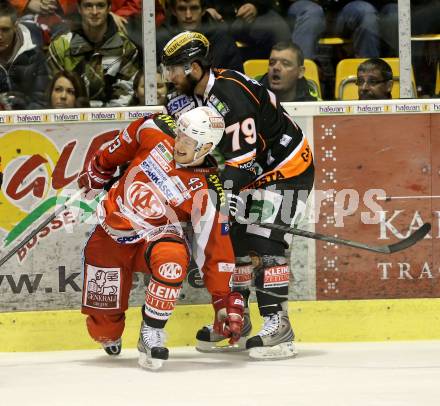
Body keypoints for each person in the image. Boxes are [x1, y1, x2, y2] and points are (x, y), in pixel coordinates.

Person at [161, 31, 315, 360]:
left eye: (175, 69)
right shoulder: (189, 99)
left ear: (195, 68)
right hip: (254, 170)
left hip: (287, 168)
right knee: (236, 240)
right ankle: (238, 318)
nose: (170, 76)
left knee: (265, 238)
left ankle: (278, 323)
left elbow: (242, 162)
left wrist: (224, 197)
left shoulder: (231, 95)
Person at [77, 107, 245, 370]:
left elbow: (214, 248)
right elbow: (123, 142)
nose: (178, 144)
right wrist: (100, 168)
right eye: (178, 135)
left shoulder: (208, 190)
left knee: (173, 261)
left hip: (157, 236)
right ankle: (108, 332)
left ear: (206, 147)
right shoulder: (155, 128)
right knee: (103, 330)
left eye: (187, 142)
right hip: (113, 230)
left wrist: (222, 299)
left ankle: (151, 332)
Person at [47, 0, 140, 107]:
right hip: (69, 119)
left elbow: (125, 96)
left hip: (113, 120)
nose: (94, 12)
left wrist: (102, 119)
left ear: (109, 8)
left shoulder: (126, 48)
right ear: (79, 8)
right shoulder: (60, 47)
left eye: (100, 5)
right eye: (88, 6)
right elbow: (56, 97)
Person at [156, 0, 243, 72]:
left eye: (194, 8)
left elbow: (237, 81)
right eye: (182, 9)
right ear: (173, 11)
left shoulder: (223, 39)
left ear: (203, 10)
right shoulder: (161, 39)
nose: (188, 15)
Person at [0, 1, 49, 109]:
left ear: (15, 27)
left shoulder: (34, 55)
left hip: (28, 122)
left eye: (5, 30)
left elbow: (41, 102)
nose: (0, 36)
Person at [205, 0, 291, 59]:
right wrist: (207, 9)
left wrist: (254, 5)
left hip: (251, 14)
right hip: (213, 17)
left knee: (278, 28)